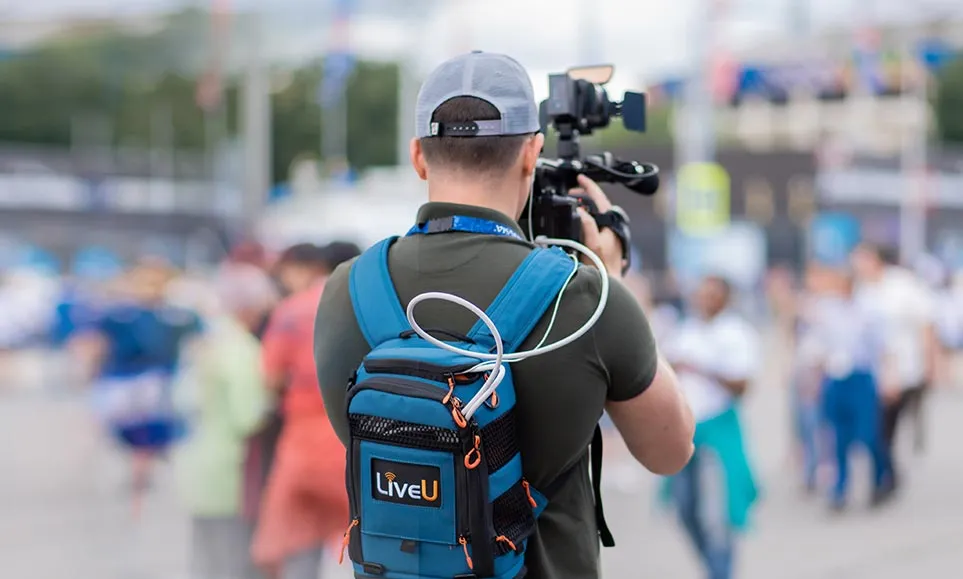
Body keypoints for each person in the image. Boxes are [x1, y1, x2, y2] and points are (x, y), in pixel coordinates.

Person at [314, 51, 694, 579]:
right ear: (531, 155)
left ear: (419, 157)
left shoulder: (345, 290)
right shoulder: (585, 299)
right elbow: (671, 450)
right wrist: (615, 285)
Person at [251, 241, 361, 579]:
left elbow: (268, 379)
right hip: (349, 443)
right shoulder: (361, 307)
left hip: (300, 446)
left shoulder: (289, 311)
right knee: (351, 543)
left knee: (288, 548)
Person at [73, 258, 204, 518]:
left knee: (151, 433)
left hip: (160, 380)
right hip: (124, 380)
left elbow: (200, 341)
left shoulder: (176, 314)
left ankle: (144, 473)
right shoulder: (119, 314)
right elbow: (95, 342)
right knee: (125, 431)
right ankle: (136, 471)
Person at [172, 264, 277, 579]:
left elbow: (180, 398)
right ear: (248, 307)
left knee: (205, 560)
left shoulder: (205, 341)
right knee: (235, 563)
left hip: (195, 462)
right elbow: (248, 417)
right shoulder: (242, 350)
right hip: (231, 472)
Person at [660, 275, 760, 579]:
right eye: (701, 293)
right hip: (686, 426)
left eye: (712, 294)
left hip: (719, 427)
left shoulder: (736, 333)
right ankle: (714, 568)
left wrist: (702, 369)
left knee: (719, 512)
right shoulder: (685, 329)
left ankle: (722, 572)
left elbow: (742, 385)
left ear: (725, 298)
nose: (704, 299)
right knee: (685, 507)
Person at [799, 266, 893, 510]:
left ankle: (880, 480)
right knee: (837, 437)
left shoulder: (869, 308)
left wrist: (887, 378)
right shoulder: (826, 310)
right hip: (835, 377)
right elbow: (817, 347)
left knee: (869, 435)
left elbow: (881, 347)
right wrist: (815, 381)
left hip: (861, 376)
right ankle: (839, 489)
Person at [851, 243, 938, 487]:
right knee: (876, 429)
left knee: (888, 426)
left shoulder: (902, 285)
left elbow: (927, 324)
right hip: (872, 371)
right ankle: (887, 474)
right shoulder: (862, 290)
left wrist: (932, 363)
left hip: (906, 369)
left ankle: (888, 476)